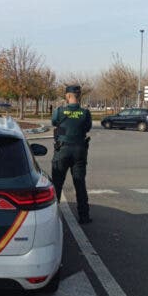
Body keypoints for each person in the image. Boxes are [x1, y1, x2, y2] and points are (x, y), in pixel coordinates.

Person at [51, 85, 93, 224]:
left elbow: (54, 122)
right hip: (79, 151)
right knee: (80, 183)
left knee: (57, 184)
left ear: (68, 96)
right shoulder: (85, 113)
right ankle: (84, 216)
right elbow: (87, 127)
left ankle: (52, 217)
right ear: (79, 96)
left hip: (62, 150)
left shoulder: (59, 111)